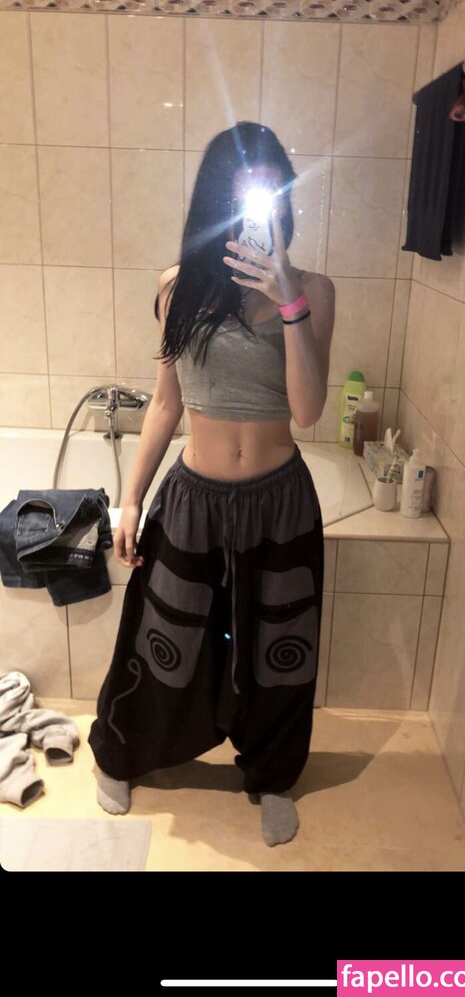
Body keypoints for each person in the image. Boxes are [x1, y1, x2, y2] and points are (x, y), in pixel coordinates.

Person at [88, 121, 335, 846]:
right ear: (213, 205)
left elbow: (308, 412)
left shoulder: (314, 290)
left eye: (267, 194)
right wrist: (131, 499)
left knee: (279, 648)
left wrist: (289, 302)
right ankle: (121, 754)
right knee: (160, 636)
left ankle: (271, 775)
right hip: (192, 500)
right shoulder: (177, 287)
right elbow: (165, 403)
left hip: (280, 502)